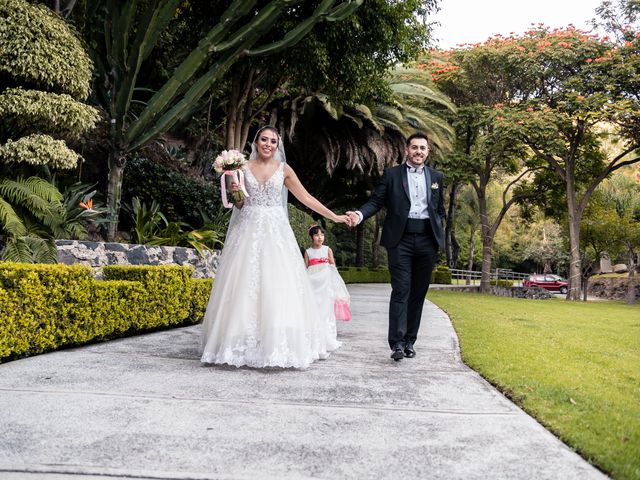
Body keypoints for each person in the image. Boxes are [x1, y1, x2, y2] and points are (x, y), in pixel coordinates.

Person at [201, 126, 351, 369]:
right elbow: (238, 206)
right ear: (256, 142)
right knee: (243, 285)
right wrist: (236, 192)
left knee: (278, 285)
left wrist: (334, 216)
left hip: (276, 232)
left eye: (273, 141)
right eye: (264, 139)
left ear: (277, 144)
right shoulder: (242, 168)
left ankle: (277, 340)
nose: (268, 144)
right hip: (247, 230)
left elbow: (307, 198)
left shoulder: (284, 170)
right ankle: (241, 342)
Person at [346, 132, 445, 362]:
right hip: (400, 241)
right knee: (401, 290)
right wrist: (359, 214)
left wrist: (438, 228)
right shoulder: (392, 175)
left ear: (427, 151)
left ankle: (410, 341)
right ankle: (397, 343)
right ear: (407, 150)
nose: (418, 151)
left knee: (418, 293)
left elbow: (439, 209)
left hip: (427, 241)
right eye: (414, 147)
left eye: (423, 148)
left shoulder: (437, 177)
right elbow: (376, 201)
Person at [304, 225, 351, 330]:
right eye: (316, 235)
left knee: (327, 304)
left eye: (322, 234)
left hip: (326, 282)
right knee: (314, 303)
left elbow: (332, 266)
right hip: (313, 281)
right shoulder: (308, 252)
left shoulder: (327, 250)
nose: (320, 237)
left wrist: (336, 283)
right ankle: (314, 327)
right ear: (311, 237)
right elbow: (305, 268)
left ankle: (327, 328)